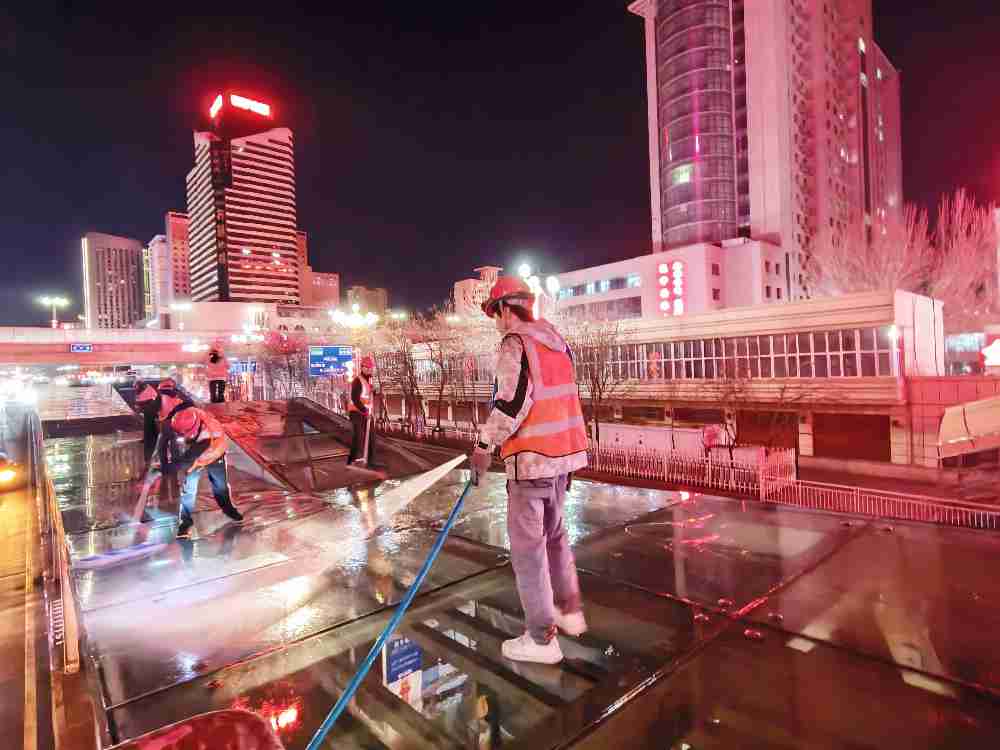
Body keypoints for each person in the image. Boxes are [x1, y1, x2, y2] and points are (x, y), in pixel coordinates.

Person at [470, 276, 589, 665]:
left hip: (532, 461)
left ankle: (540, 640)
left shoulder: (516, 343)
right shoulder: (556, 341)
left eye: (495, 313)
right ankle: (569, 612)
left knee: (528, 552)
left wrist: (484, 446)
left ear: (506, 308)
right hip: (562, 459)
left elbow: (511, 403)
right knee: (555, 538)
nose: (496, 321)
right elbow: (564, 399)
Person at [168, 406, 243, 538]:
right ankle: (185, 522)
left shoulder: (211, 433)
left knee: (220, 486)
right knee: (188, 491)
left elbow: (188, 459)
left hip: (214, 455)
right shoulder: (190, 415)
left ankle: (229, 510)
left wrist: (172, 467)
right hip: (197, 454)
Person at [347, 355, 377, 466]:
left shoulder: (369, 380)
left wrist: (374, 391)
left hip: (366, 413)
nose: (369, 370)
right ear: (362, 367)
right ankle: (351, 460)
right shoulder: (357, 380)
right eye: (367, 367)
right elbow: (355, 399)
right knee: (358, 436)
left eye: (370, 368)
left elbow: (368, 396)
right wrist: (365, 411)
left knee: (371, 437)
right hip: (356, 412)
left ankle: (371, 461)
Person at [135, 384, 161, 462]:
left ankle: (149, 458)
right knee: (148, 429)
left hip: (152, 414)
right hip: (151, 412)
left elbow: (140, 402)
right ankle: (149, 457)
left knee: (150, 433)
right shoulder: (146, 391)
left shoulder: (147, 394)